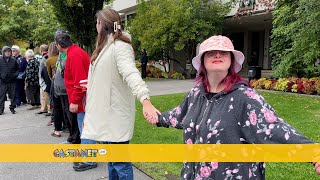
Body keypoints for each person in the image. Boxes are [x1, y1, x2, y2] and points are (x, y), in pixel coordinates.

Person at [148, 35, 320, 179]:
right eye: (210, 53)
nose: (217, 55)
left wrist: (314, 154)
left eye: (223, 52)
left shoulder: (244, 98)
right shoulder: (195, 94)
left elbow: (274, 128)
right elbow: (179, 115)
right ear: (202, 61)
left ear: (231, 60)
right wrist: (157, 118)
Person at [80, 8, 159, 180]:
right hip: (104, 115)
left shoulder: (119, 47)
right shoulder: (104, 47)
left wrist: (145, 99)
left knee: (120, 163)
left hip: (114, 116)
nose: (95, 25)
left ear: (102, 24)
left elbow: (131, 74)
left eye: (97, 22)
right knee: (112, 160)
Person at [55, 30, 97, 171]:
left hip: (83, 100)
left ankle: (90, 160)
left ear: (60, 44)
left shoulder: (74, 55)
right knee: (85, 128)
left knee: (85, 129)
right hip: (83, 98)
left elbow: (80, 81)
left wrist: (74, 101)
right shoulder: (74, 53)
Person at [0, 46, 19, 115]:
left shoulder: (13, 60)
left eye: (9, 51)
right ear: (3, 52)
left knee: (13, 95)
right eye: (6, 51)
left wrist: (15, 75)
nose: (7, 53)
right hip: (2, 82)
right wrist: (1, 76)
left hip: (12, 81)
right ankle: (1, 109)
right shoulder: (0, 59)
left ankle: (12, 108)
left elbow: (17, 69)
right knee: (1, 96)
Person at [37, 44, 51, 115]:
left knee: (45, 94)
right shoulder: (46, 56)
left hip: (44, 78)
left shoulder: (45, 57)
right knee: (43, 94)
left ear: (41, 50)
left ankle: (48, 109)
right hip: (44, 77)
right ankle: (44, 108)